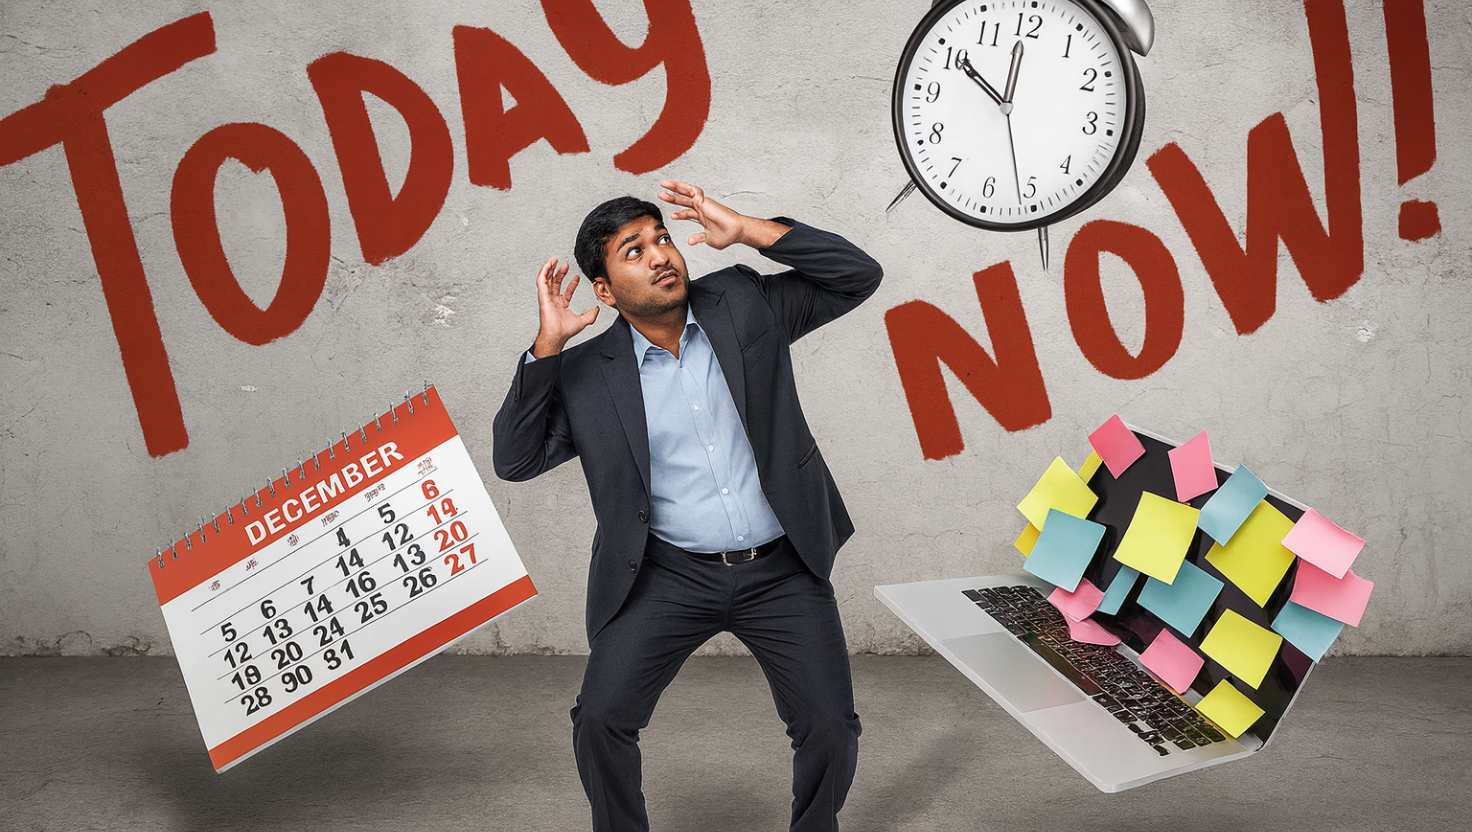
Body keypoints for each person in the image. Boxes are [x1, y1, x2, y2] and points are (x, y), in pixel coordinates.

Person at [492, 180, 882, 831]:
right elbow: (516, 457)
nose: (659, 255)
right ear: (605, 290)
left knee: (831, 729)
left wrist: (753, 229)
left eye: (661, 238)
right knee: (600, 719)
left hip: (781, 567)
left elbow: (856, 277)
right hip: (664, 576)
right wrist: (547, 349)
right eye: (632, 250)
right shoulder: (588, 375)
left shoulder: (741, 302)